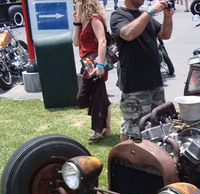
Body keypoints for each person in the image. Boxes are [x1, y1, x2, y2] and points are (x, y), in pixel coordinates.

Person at [110, 0, 174, 142]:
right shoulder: (118, 15)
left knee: (158, 124)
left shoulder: (144, 15)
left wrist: (168, 16)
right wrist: (149, 11)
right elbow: (128, 34)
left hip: (155, 82)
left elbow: (165, 34)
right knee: (132, 129)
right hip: (135, 86)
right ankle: (125, 160)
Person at [73, 0, 112, 141]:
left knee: (96, 98)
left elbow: (102, 41)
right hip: (87, 65)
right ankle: (106, 127)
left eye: (76, 2)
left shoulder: (95, 20)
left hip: (96, 64)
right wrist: (77, 23)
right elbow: (76, 42)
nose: (74, 5)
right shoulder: (83, 22)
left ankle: (99, 130)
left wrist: (100, 65)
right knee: (90, 98)